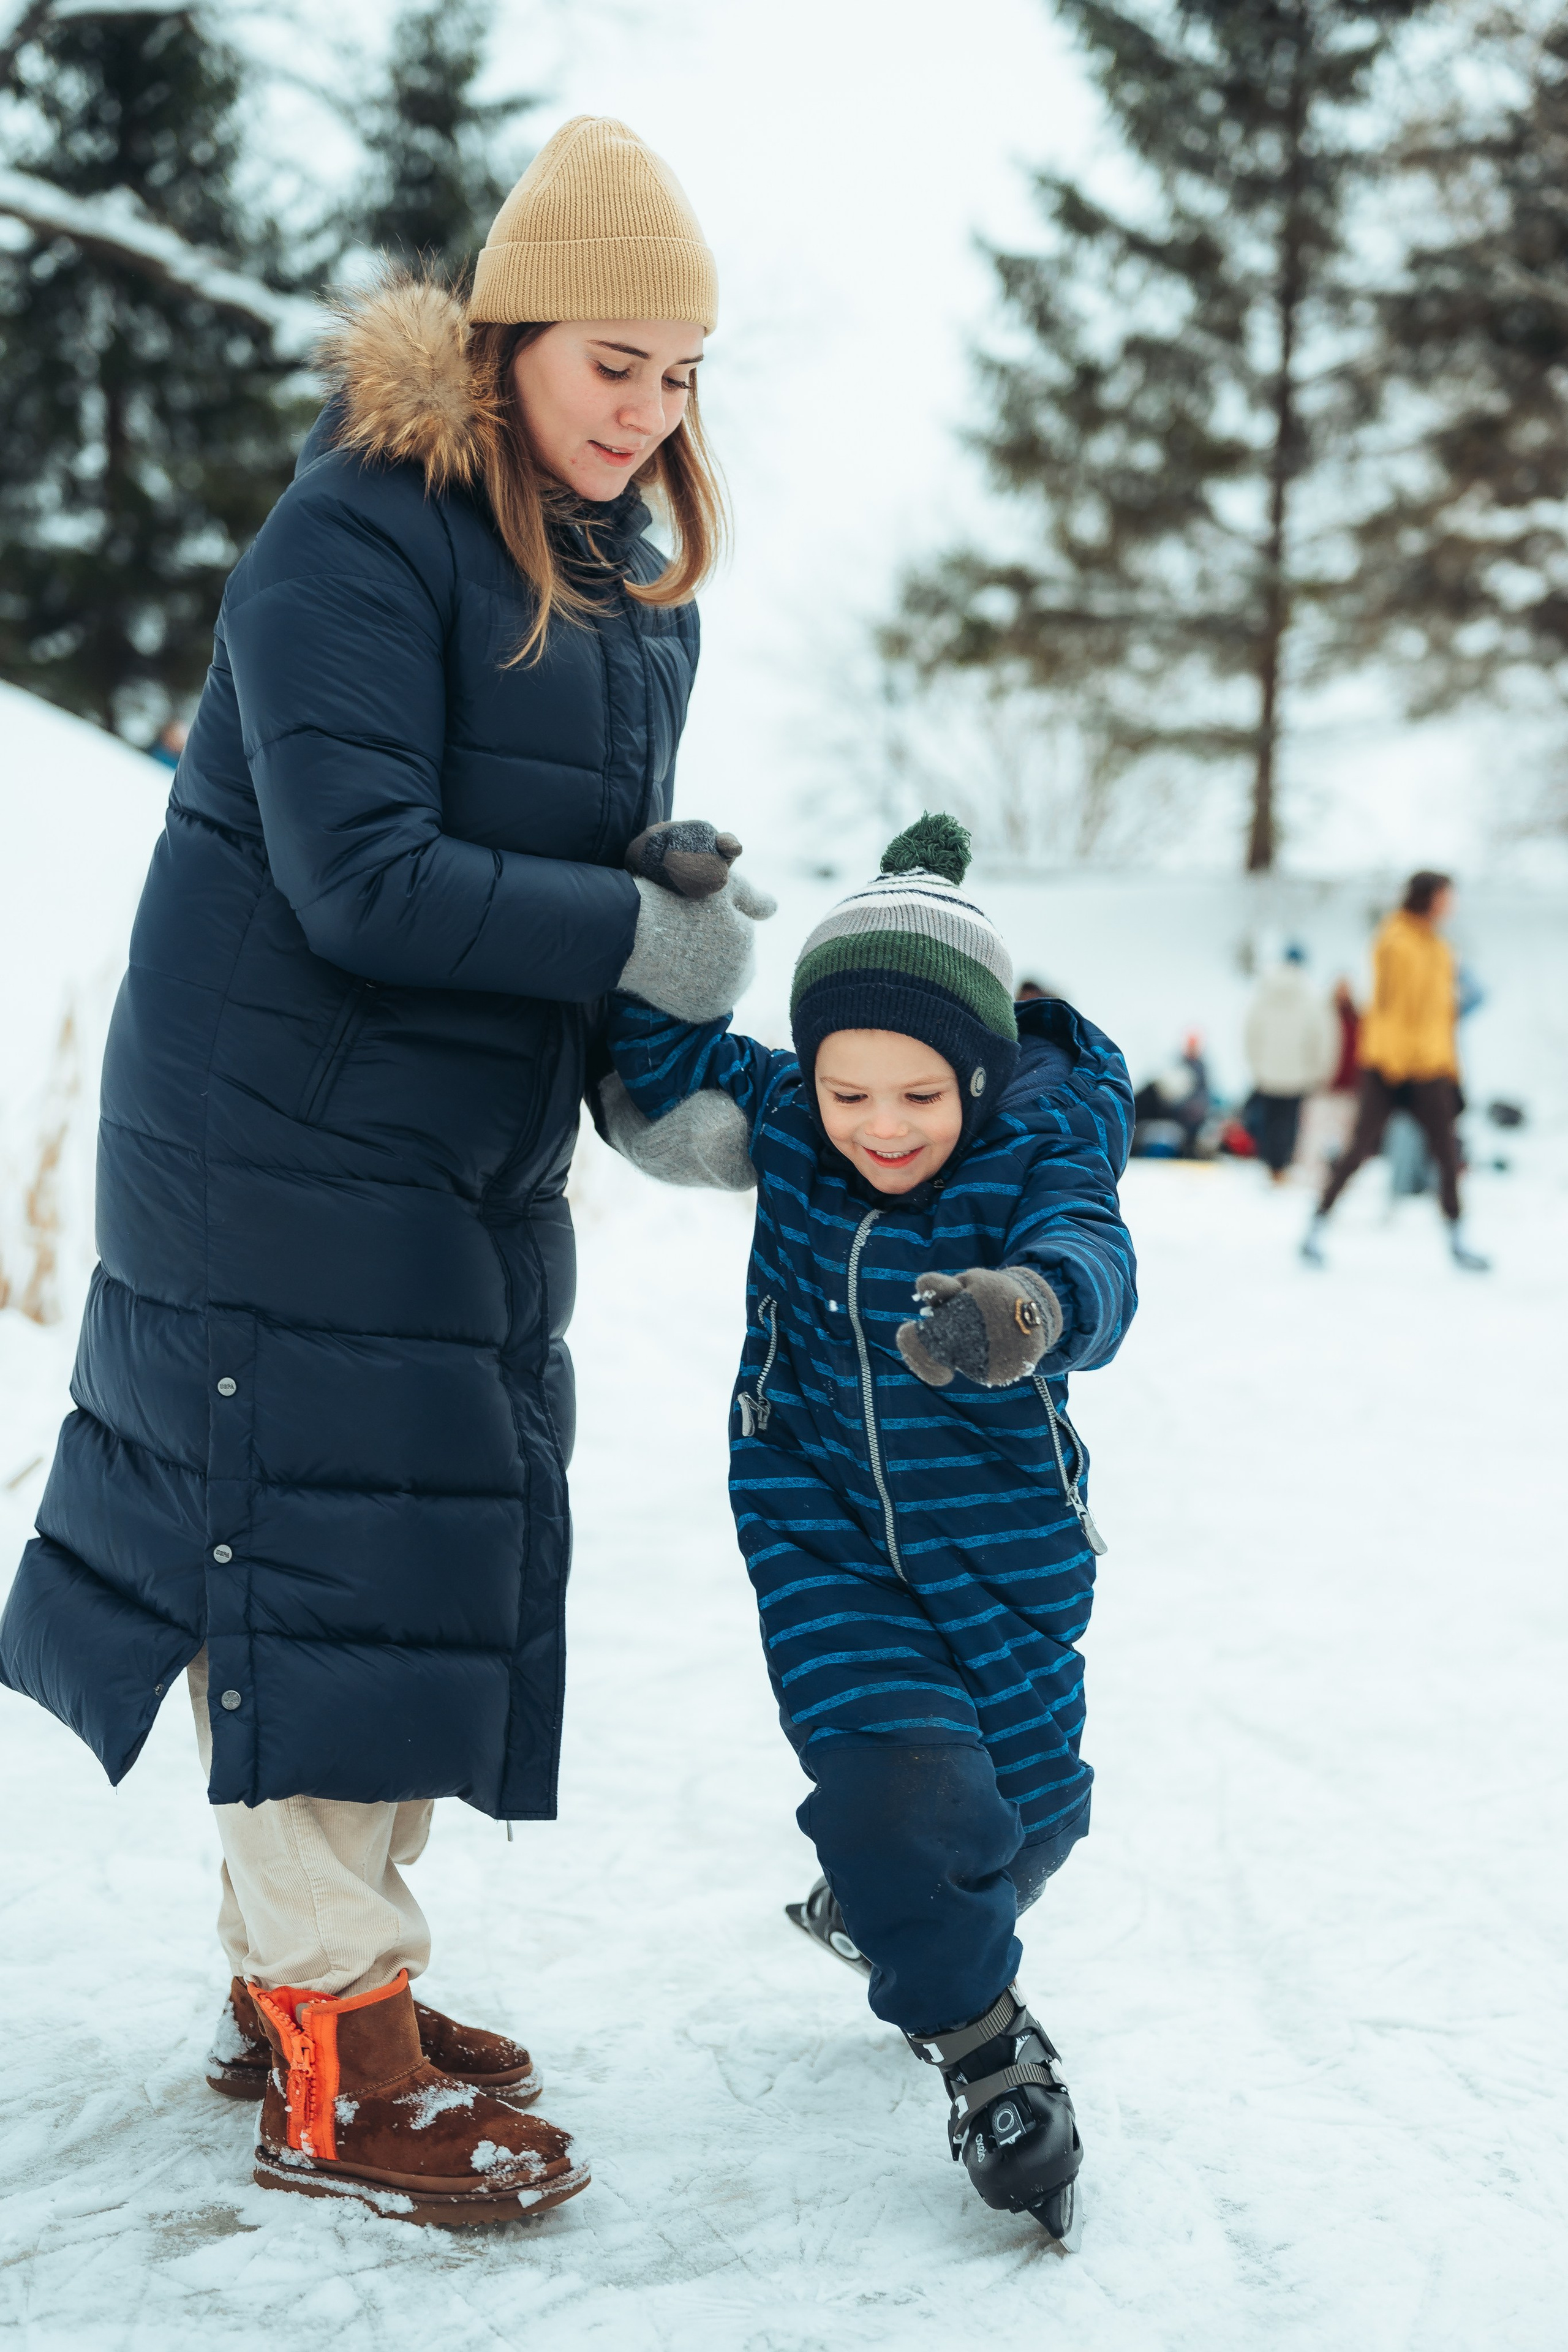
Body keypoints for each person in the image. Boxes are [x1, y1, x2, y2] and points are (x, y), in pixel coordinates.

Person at [0, 115, 774, 2225]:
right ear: (512, 339)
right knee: (328, 1561)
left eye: (684, 372)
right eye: (616, 360)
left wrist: (650, 1054)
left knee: (418, 1557)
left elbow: (565, 886)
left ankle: (314, 1986)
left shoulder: (627, 595)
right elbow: (361, 880)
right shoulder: (358, 532)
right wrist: (627, 933)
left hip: (448, 1160)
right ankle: (340, 2037)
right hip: (277, 1144)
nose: (650, 409)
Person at [600, 812, 1137, 2250]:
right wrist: (678, 918)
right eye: (845, 1090)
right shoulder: (788, 1127)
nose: (878, 1127)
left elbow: (1094, 1255)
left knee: (1028, 1814)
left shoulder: (1037, 1141)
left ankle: (883, 1903)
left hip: (1005, 1543)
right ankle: (984, 2048)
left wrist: (1022, 1308)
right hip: (814, 1517)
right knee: (904, 1786)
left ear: (977, 1071)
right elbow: (651, 1072)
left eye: (915, 1092)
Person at [1302, 872, 1488, 1270]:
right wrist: (1394, 1065)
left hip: (1432, 1067)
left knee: (1447, 1151)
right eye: (1447, 896)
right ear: (1430, 898)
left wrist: (1452, 1074)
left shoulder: (1441, 949)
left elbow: (1442, 1019)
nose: (1452, 904)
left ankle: (1458, 1241)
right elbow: (1388, 1010)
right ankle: (1315, 1227)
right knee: (1359, 1147)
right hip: (1390, 1067)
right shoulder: (1394, 941)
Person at [1241, 944, 1339, 1181]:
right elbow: (1324, 1036)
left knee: (1269, 1120)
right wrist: (1321, 1070)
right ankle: (1283, 1166)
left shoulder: (1264, 992)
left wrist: (1256, 1065)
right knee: (1290, 1121)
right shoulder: (1311, 996)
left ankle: (1271, 1167)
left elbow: (1250, 1032)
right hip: (1298, 1074)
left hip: (1267, 1073)